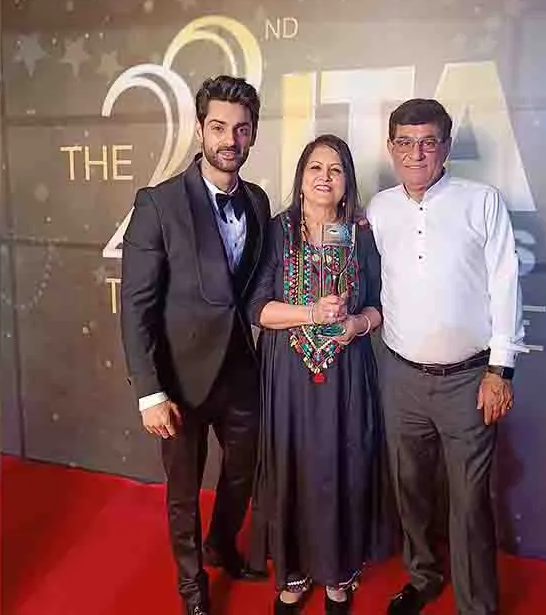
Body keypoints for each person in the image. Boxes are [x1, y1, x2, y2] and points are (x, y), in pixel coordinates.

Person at [365, 98, 526, 615]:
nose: (416, 153)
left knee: (470, 503)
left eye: (428, 141)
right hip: (401, 377)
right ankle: (423, 576)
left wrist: (500, 369)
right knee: (409, 491)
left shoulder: (482, 201)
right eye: (405, 142)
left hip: (469, 380)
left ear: (447, 148)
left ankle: (477, 605)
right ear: (391, 148)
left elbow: (505, 282)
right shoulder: (379, 208)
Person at [120, 75, 270, 615]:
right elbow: (135, 305)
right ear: (201, 130)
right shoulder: (158, 203)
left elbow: (259, 279)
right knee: (183, 493)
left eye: (242, 129)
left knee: (243, 472)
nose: (230, 140)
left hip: (239, 374)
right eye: (220, 127)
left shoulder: (256, 200)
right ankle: (192, 589)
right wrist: (149, 392)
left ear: (252, 135)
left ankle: (221, 544)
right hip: (179, 381)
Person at [246, 134, 396, 614]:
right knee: (293, 464)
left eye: (335, 169)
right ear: (301, 177)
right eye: (316, 167)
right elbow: (258, 310)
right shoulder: (277, 231)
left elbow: (380, 306)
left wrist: (356, 323)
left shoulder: (360, 234)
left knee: (341, 464)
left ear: (347, 180)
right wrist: (310, 312)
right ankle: (293, 572)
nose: (325, 177)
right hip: (288, 374)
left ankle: (337, 573)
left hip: (347, 371)